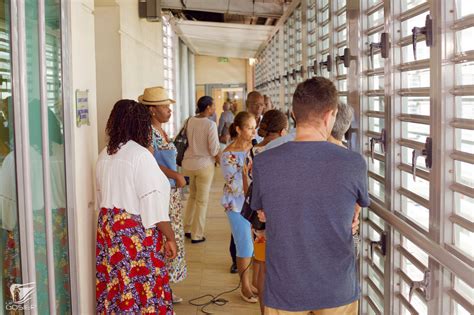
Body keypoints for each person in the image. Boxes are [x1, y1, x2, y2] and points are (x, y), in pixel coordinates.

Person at [251, 77, 370, 314]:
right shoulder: (353, 162)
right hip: (337, 285)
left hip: (285, 285)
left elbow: (261, 214)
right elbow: (357, 208)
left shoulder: (263, 162)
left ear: (294, 114)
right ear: (330, 115)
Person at [95, 99, 176, 314]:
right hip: (134, 232)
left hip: (108, 228)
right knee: (142, 284)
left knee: (117, 283)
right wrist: (170, 237)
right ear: (141, 124)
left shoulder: (104, 154)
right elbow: (154, 207)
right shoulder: (140, 156)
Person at [139, 86, 187, 303]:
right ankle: (161, 288)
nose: (170, 110)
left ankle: (166, 285)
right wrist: (174, 175)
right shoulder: (148, 133)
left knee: (173, 236)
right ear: (151, 110)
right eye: (165, 107)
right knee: (165, 238)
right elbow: (150, 163)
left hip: (170, 192)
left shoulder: (162, 131)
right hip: (161, 192)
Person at [246, 109, 288, 314]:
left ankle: (265, 311)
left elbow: (249, 185)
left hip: (260, 217)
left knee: (262, 265)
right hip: (281, 216)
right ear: (282, 131)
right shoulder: (285, 150)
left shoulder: (253, 151)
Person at [220, 111, 259, 303]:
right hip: (236, 206)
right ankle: (244, 286)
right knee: (244, 246)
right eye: (250, 128)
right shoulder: (228, 154)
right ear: (238, 129)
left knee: (253, 246)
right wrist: (247, 174)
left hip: (255, 204)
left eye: (254, 127)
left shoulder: (255, 147)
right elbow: (234, 187)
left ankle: (251, 283)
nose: (254, 131)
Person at [182, 96, 220, 243]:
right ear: (208, 107)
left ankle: (187, 228)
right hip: (204, 165)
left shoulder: (190, 120)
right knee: (202, 202)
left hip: (187, 165)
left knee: (192, 196)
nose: (215, 108)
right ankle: (197, 235)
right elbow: (214, 149)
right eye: (213, 106)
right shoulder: (210, 125)